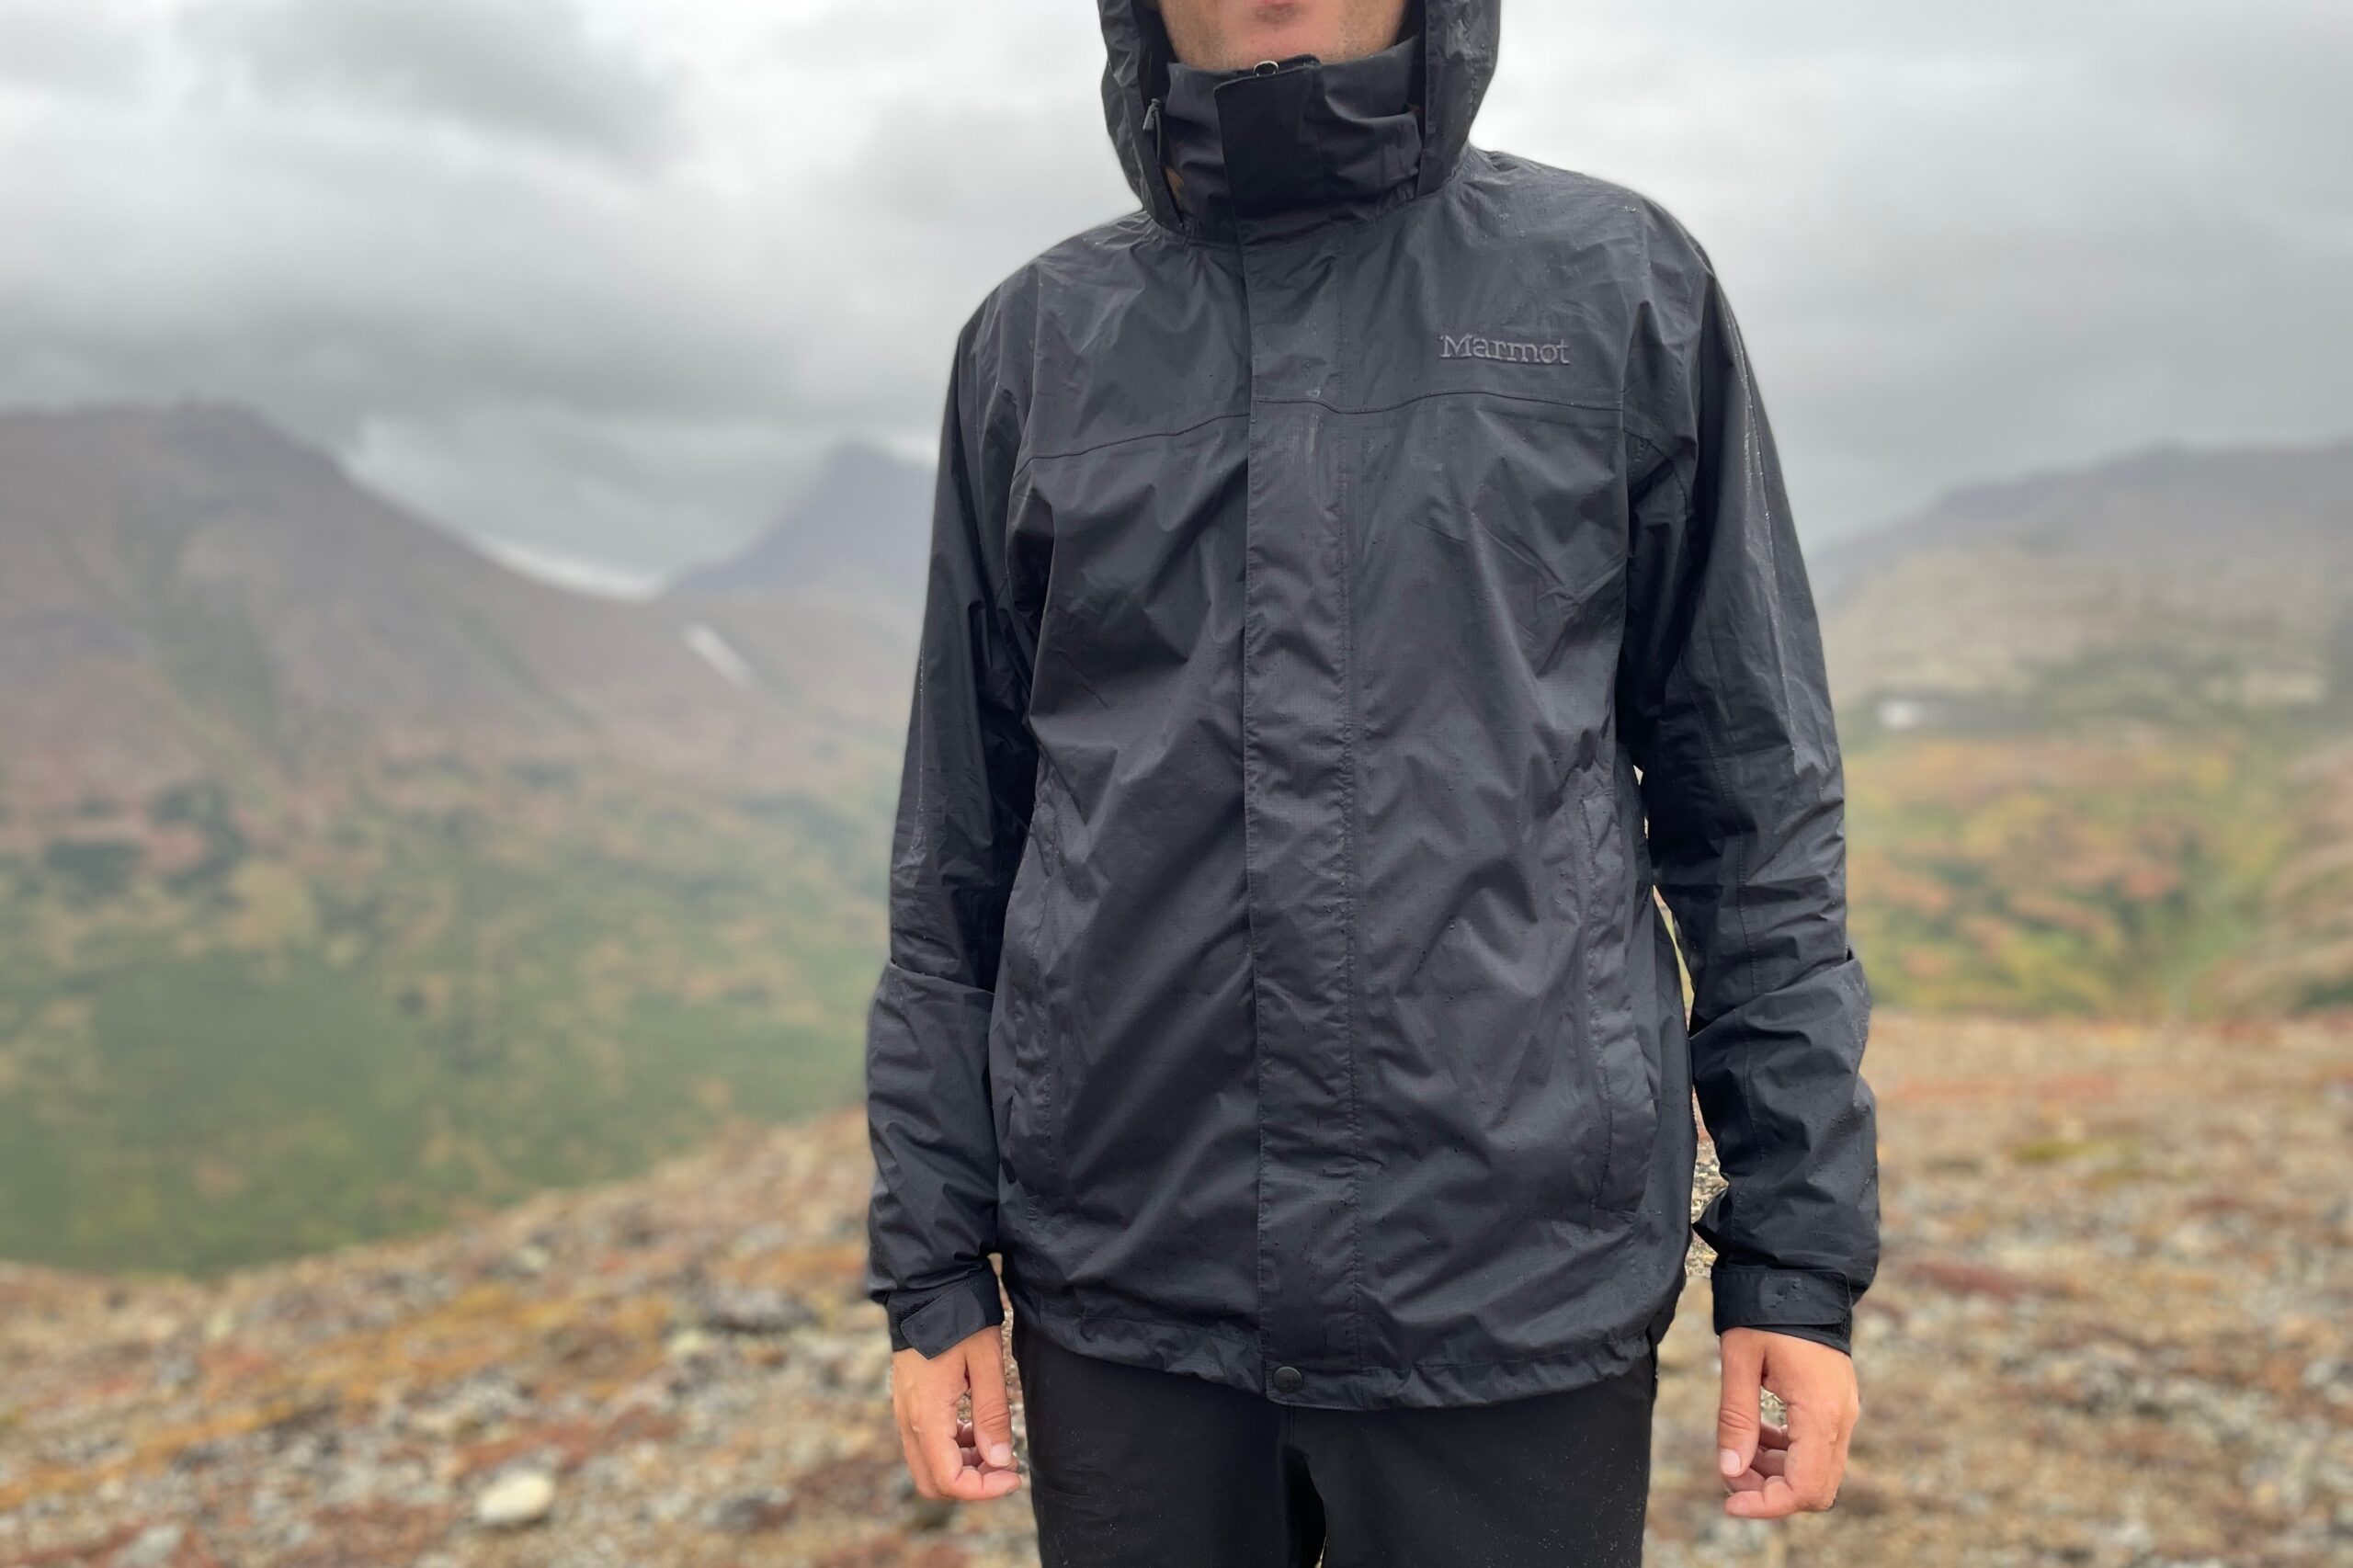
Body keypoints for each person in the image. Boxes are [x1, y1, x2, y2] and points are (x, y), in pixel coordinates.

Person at [862, 0, 1879, 1561]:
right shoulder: (1030, 344)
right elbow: (961, 852)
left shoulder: (1622, 290)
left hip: (1516, 1304)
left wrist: (1793, 1256)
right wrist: (934, 1264)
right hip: (1129, 1305)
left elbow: (1754, 809)